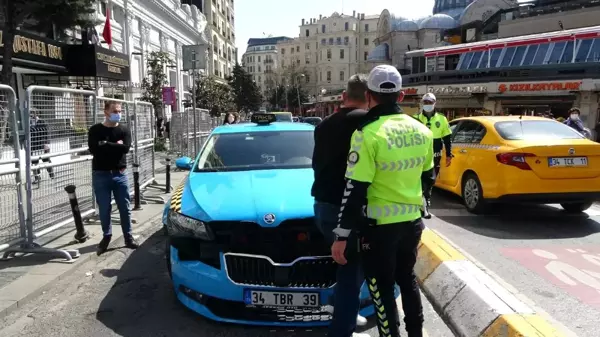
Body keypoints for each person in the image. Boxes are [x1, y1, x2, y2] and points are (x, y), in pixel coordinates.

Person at [331, 65, 434, 337]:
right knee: (408, 280)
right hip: (411, 223)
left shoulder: (367, 134)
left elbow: (355, 188)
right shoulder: (421, 131)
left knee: (381, 288)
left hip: (378, 229)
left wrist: (341, 234)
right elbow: (429, 177)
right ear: (400, 96)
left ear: (368, 96)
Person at [311, 74, 370, 337]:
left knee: (348, 268)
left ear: (344, 96)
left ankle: (341, 304)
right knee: (352, 270)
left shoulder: (323, 126)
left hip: (322, 206)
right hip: (349, 209)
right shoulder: (368, 123)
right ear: (369, 98)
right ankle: (342, 327)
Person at [88, 101, 139, 255]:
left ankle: (128, 237)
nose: (118, 113)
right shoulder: (95, 130)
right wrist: (115, 145)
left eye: (120, 110)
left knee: (125, 207)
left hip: (120, 174)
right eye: (115, 110)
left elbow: (126, 148)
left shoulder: (124, 130)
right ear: (106, 112)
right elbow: (94, 150)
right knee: (104, 208)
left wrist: (106, 144)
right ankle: (106, 236)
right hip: (101, 174)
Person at [412, 93, 452, 218]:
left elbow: (447, 138)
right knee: (418, 177)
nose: (427, 105)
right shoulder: (415, 118)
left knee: (431, 177)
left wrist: (449, 154)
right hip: (419, 153)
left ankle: (426, 197)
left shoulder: (441, 119)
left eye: (430, 102)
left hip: (435, 152)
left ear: (435, 103)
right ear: (422, 103)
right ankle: (421, 200)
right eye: (425, 102)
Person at [29, 108, 55, 183]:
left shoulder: (42, 122)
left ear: (37, 114)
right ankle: (37, 177)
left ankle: (51, 174)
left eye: (33, 113)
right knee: (34, 162)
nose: (31, 114)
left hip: (42, 144)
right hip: (33, 146)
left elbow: (47, 133)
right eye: (30, 113)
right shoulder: (29, 123)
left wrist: (47, 144)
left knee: (46, 160)